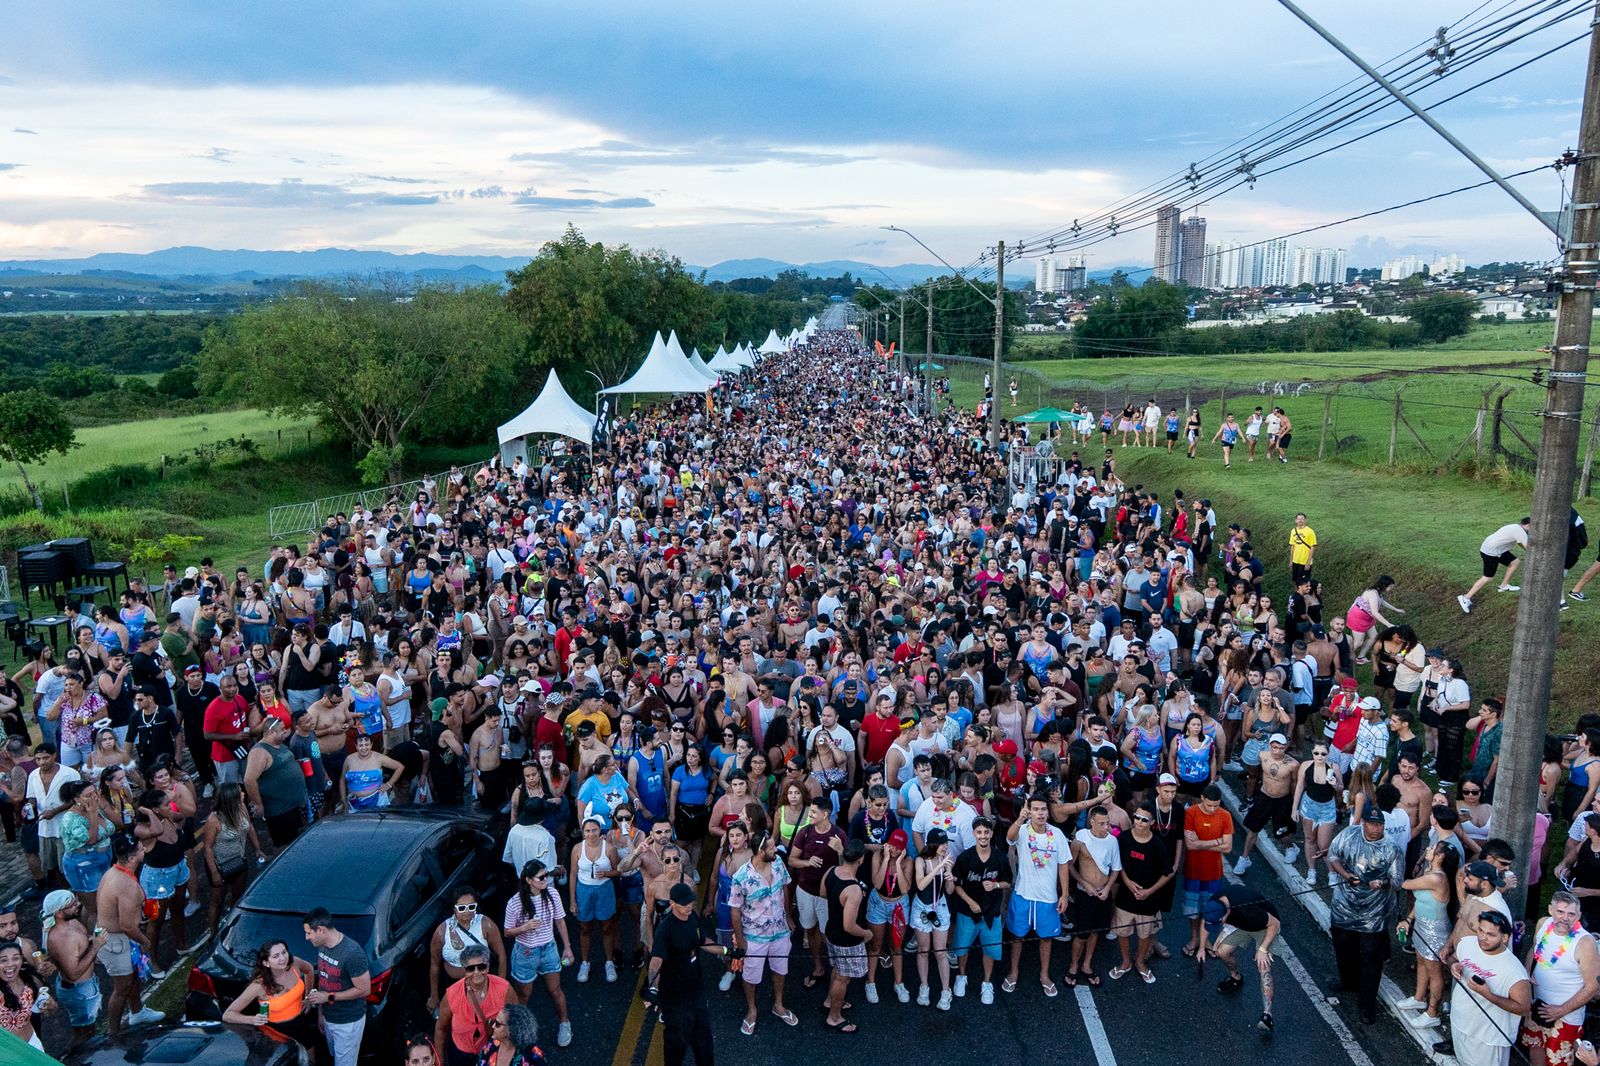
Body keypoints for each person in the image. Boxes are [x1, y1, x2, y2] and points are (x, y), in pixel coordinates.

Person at [1327, 806, 1402, 1024]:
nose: (1376, 828)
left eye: (1379, 824)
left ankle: (1367, 1004)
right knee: (1343, 947)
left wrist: (1383, 883)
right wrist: (1346, 874)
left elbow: (1397, 881)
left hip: (1373, 912)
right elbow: (1333, 855)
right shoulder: (1348, 834)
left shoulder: (1391, 848)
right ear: (1363, 823)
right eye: (1372, 823)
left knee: (1371, 958)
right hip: (1344, 905)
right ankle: (1348, 981)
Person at [644, 881, 733, 1064]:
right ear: (672, 904)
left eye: (690, 902)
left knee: (704, 1043)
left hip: (696, 992)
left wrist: (727, 951)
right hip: (675, 998)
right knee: (676, 1044)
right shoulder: (665, 929)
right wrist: (652, 986)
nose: (689, 906)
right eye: (684, 904)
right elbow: (656, 962)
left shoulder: (692, 917)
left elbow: (702, 942)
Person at [727, 828, 797, 1034]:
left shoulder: (778, 864)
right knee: (750, 975)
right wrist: (740, 942)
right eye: (772, 847)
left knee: (780, 969)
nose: (776, 849)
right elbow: (735, 911)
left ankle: (778, 1005)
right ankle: (751, 1010)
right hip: (754, 936)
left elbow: (786, 887)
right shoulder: (741, 877)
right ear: (760, 851)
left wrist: (789, 916)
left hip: (780, 931)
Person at [1520, 891, 1600, 1066]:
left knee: (1558, 1061)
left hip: (1566, 1016)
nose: (1565, 918)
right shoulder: (1542, 924)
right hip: (1537, 1005)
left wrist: (1562, 1009)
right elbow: (1534, 949)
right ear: (1550, 910)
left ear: (1578, 915)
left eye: (1571, 914)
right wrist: (1526, 973)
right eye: (1560, 912)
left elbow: (1593, 986)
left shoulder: (1585, 943)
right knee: (1536, 1048)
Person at [1004, 792, 1071, 997]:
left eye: (1043, 809)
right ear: (1030, 811)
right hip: (1023, 894)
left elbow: (1063, 866)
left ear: (1048, 812)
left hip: (1048, 898)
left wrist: (1065, 894)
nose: (1040, 813)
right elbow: (1009, 837)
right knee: (1017, 937)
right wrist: (1020, 818)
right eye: (1036, 809)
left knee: (1046, 939)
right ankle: (1013, 972)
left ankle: (1044, 974)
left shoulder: (1057, 835)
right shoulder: (1023, 830)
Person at [501, 861, 573, 1048]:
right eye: (541, 877)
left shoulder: (553, 895)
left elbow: (560, 922)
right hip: (525, 952)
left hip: (548, 948)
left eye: (547, 876)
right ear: (528, 880)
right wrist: (525, 927)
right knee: (523, 995)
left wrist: (567, 947)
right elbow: (507, 932)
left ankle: (565, 1023)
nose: (546, 880)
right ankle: (520, 1030)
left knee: (555, 990)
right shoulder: (515, 903)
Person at [98, 831, 164, 1033]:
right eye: (140, 848)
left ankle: (137, 1012)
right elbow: (127, 926)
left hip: (117, 936)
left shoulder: (114, 872)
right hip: (117, 940)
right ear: (132, 857)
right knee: (122, 988)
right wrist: (145, 941)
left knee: (133, 976)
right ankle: (113, 1033)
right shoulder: (126, 884)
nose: (144, 848)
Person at [1452, 909, 1531, 1066]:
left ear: (1505, 938)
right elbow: (1453, 958)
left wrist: (1488, 995)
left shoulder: (1514, 970)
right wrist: (1453, 965)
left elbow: (1524, 1008)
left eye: (1491, 935)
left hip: (1488, 1039)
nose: (1482, 937)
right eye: (1481, 930)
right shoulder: (1467, 943)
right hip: (1459, 1024)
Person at [1201, 881, 1282, 1031]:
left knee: (1263, 965)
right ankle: (1235, 977)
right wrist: (1202, 946)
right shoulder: (1215, 903)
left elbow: (1275, 923)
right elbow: (1207, 921)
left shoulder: (1249, 911)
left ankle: (1267, 1015)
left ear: (1225, 914)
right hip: (1240, 923)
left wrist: (1263, 949)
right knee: (1221, 952)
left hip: (1265, 926)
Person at [221, 939, 320, 1058]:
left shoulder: (295, 964)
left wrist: (308, 998)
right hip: (276, 1034)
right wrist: (252, 1020)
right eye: (276, 956)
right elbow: (228, 1015)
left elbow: (309, 970)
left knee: (310, 1061)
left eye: (284, 952)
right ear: (266, 963)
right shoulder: (259, 985)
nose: (283, 958)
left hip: (300, 1023)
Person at [787, 796, 846, 990]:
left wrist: (839, 851)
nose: (809, 815)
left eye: (812, 812)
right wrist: (807, 862)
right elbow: (792, 860)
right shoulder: (804, 833)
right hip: (805, 891)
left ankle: (835, 971)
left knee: (828, 933)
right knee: (810, 930)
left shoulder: (839, 835)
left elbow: (847, 868)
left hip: (827, 896)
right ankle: (818, 968)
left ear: (825, 815)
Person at [950, 815, 1009, 1002]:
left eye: (986, 832)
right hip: (968, 912)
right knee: (961, 947)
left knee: (990, 949)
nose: (983, 836)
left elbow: (1008, 881)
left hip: (991, 912)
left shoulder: (1000, 857)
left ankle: (987, 982)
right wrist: (970, 901)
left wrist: (996, 886)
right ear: (974, 833)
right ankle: (961, 976)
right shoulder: (965, 858)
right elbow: (957, 885)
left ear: (991, 833)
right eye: (979, 832)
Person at [304, 906, 372, 1066]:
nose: (307, 937)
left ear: (320, 930)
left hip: (347, 1023)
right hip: (329, 1017)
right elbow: (323, 979)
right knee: (335, 1056)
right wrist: (321, 1014)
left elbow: (364, 989)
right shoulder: (322, 947)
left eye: (309, 933)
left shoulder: (352, 953)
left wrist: (328, 997)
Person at [1111, 802, 1170, 984]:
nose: (1139, 821)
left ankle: (1140, 962)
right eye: (1136, 817)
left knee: (1145, 935)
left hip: (1148, 900)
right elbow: (1116, 864)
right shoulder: (1124, 839)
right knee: (1123, 932)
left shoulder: (1158, 845)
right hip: (1125, 898)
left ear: (1151, 822)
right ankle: (1126, 961)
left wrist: (1149, 891)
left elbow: (1167, 873)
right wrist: (1127, 883)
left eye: (1144, 819)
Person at [41, 889, 104, 1049]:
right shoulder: (62, 938)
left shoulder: (71, 922)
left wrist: (90, 941)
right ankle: (76, 1058)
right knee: (85, 1033)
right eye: (72, 905)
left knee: (87, 1029)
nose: (78, 905)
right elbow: (74, 973)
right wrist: (95, 947)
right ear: (59, 913)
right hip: (79, 990)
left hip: (82, 987)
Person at [435, 944, 514, 1066]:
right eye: (471, 968)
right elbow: (441, 1029)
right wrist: (439, 1062)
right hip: (460, 1055)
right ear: (465, 970)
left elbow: (517, 1022)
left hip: (492, 1052)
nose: (476, 972)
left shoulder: (504, 989)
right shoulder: (451, 994)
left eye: (481, 967)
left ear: (487, 967)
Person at [821, 839, 870, 1034]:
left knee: (836, 969)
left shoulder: (831, 871)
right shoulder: (854, 889)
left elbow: (823, 893)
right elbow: (849, 926)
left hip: (831, 931)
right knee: (843, 978)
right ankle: (834, 1017)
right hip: (845, 940)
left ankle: (829, 1001)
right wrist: (866, 933)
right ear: (860, 860)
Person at [429, 890, 507, 1014]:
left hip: (484, 983)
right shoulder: (442, 931)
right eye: (461, 908)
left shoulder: (486, 924)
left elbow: (501, 955)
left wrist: (501, 988)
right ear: (454, 908)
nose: (467, 911)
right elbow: (435, 964)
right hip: (455, 986)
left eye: (471, 907)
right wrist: (434, 995)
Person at [1182, 784, 1233, 957]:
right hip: (1193, 871)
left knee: (1210, 909)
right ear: (1202, 798)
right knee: (1192, 908)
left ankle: (1206, 940)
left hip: (1214, 873)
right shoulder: (1190, 813)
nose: (1212, 809)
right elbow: (1190, 845)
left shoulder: (1225, 816)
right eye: (1209, 805)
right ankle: (1194, 938)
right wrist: (1218, 842)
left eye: (1216, 805)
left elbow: (1228, 848)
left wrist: (1201, 844)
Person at [243, 716, 308, 846]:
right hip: (280, 810)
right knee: (284, 846)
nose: (286, 731)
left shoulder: (279, 744)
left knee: (297, 841)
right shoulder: (259, 752)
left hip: (293, 806)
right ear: (272, 732)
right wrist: (257, 803)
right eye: (282, 729)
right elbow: (249, 780)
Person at [1460, 517, 1531, 613]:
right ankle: (1466, 597)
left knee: (1514, 562)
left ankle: (1503, 586)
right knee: (1488, 577)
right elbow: (1528, 547)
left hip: (1496, 549)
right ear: (1528, 525)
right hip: (1491, 552)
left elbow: (1521, 543)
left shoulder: (1515, 527)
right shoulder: (1520, 532)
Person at [0, 938, 54, 1050]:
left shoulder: (31, 981)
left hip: (33, 1044)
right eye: (3, 960)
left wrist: (49, 1006)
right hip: (5, 1052)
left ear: (21, 960)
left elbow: (51, 1010)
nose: (10, 964)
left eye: (15, 958)